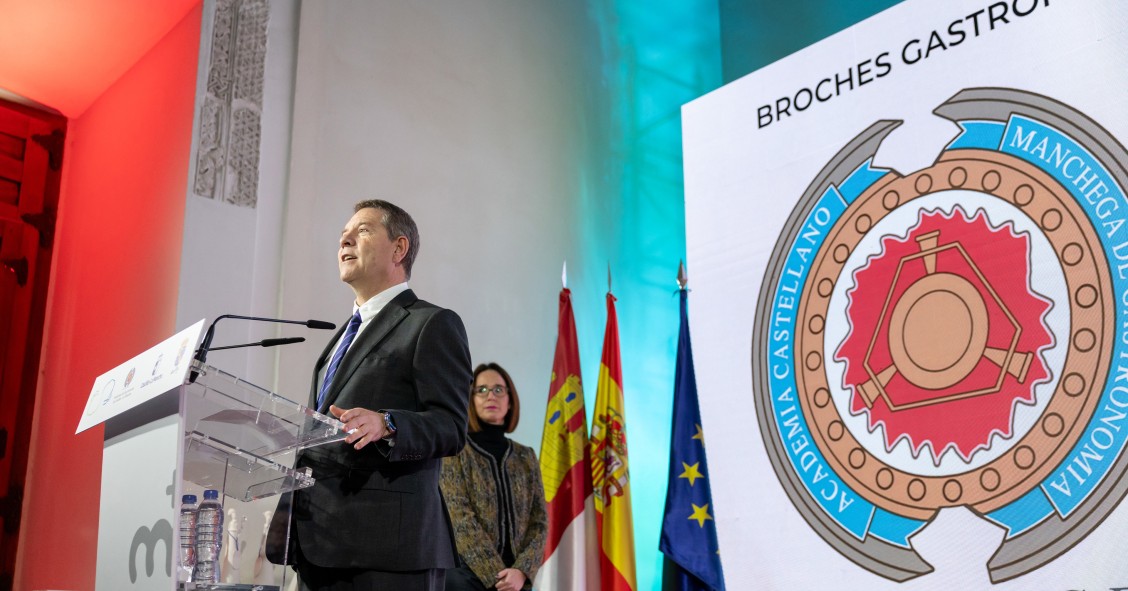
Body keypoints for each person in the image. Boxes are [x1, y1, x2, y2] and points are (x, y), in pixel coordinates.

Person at [268, 199, 472, 591]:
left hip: (387, 551)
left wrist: (388, 422)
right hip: (318, 541)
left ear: (399, 248)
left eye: (361, 230)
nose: (344, 238)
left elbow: (450, 427)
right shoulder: (341, 337)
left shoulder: (431, 323)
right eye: (343, 232)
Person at [440, 363, 547, 591]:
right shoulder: (455, 451)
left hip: (518, 581)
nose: (491, 396)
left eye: (499, 389)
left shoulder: (526, 456)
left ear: (510, 401)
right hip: (466, 578)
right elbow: (459, 518)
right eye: (482, 390)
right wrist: (497, 576)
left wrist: (521, 572)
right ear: (471, 399)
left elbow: (539, 523)